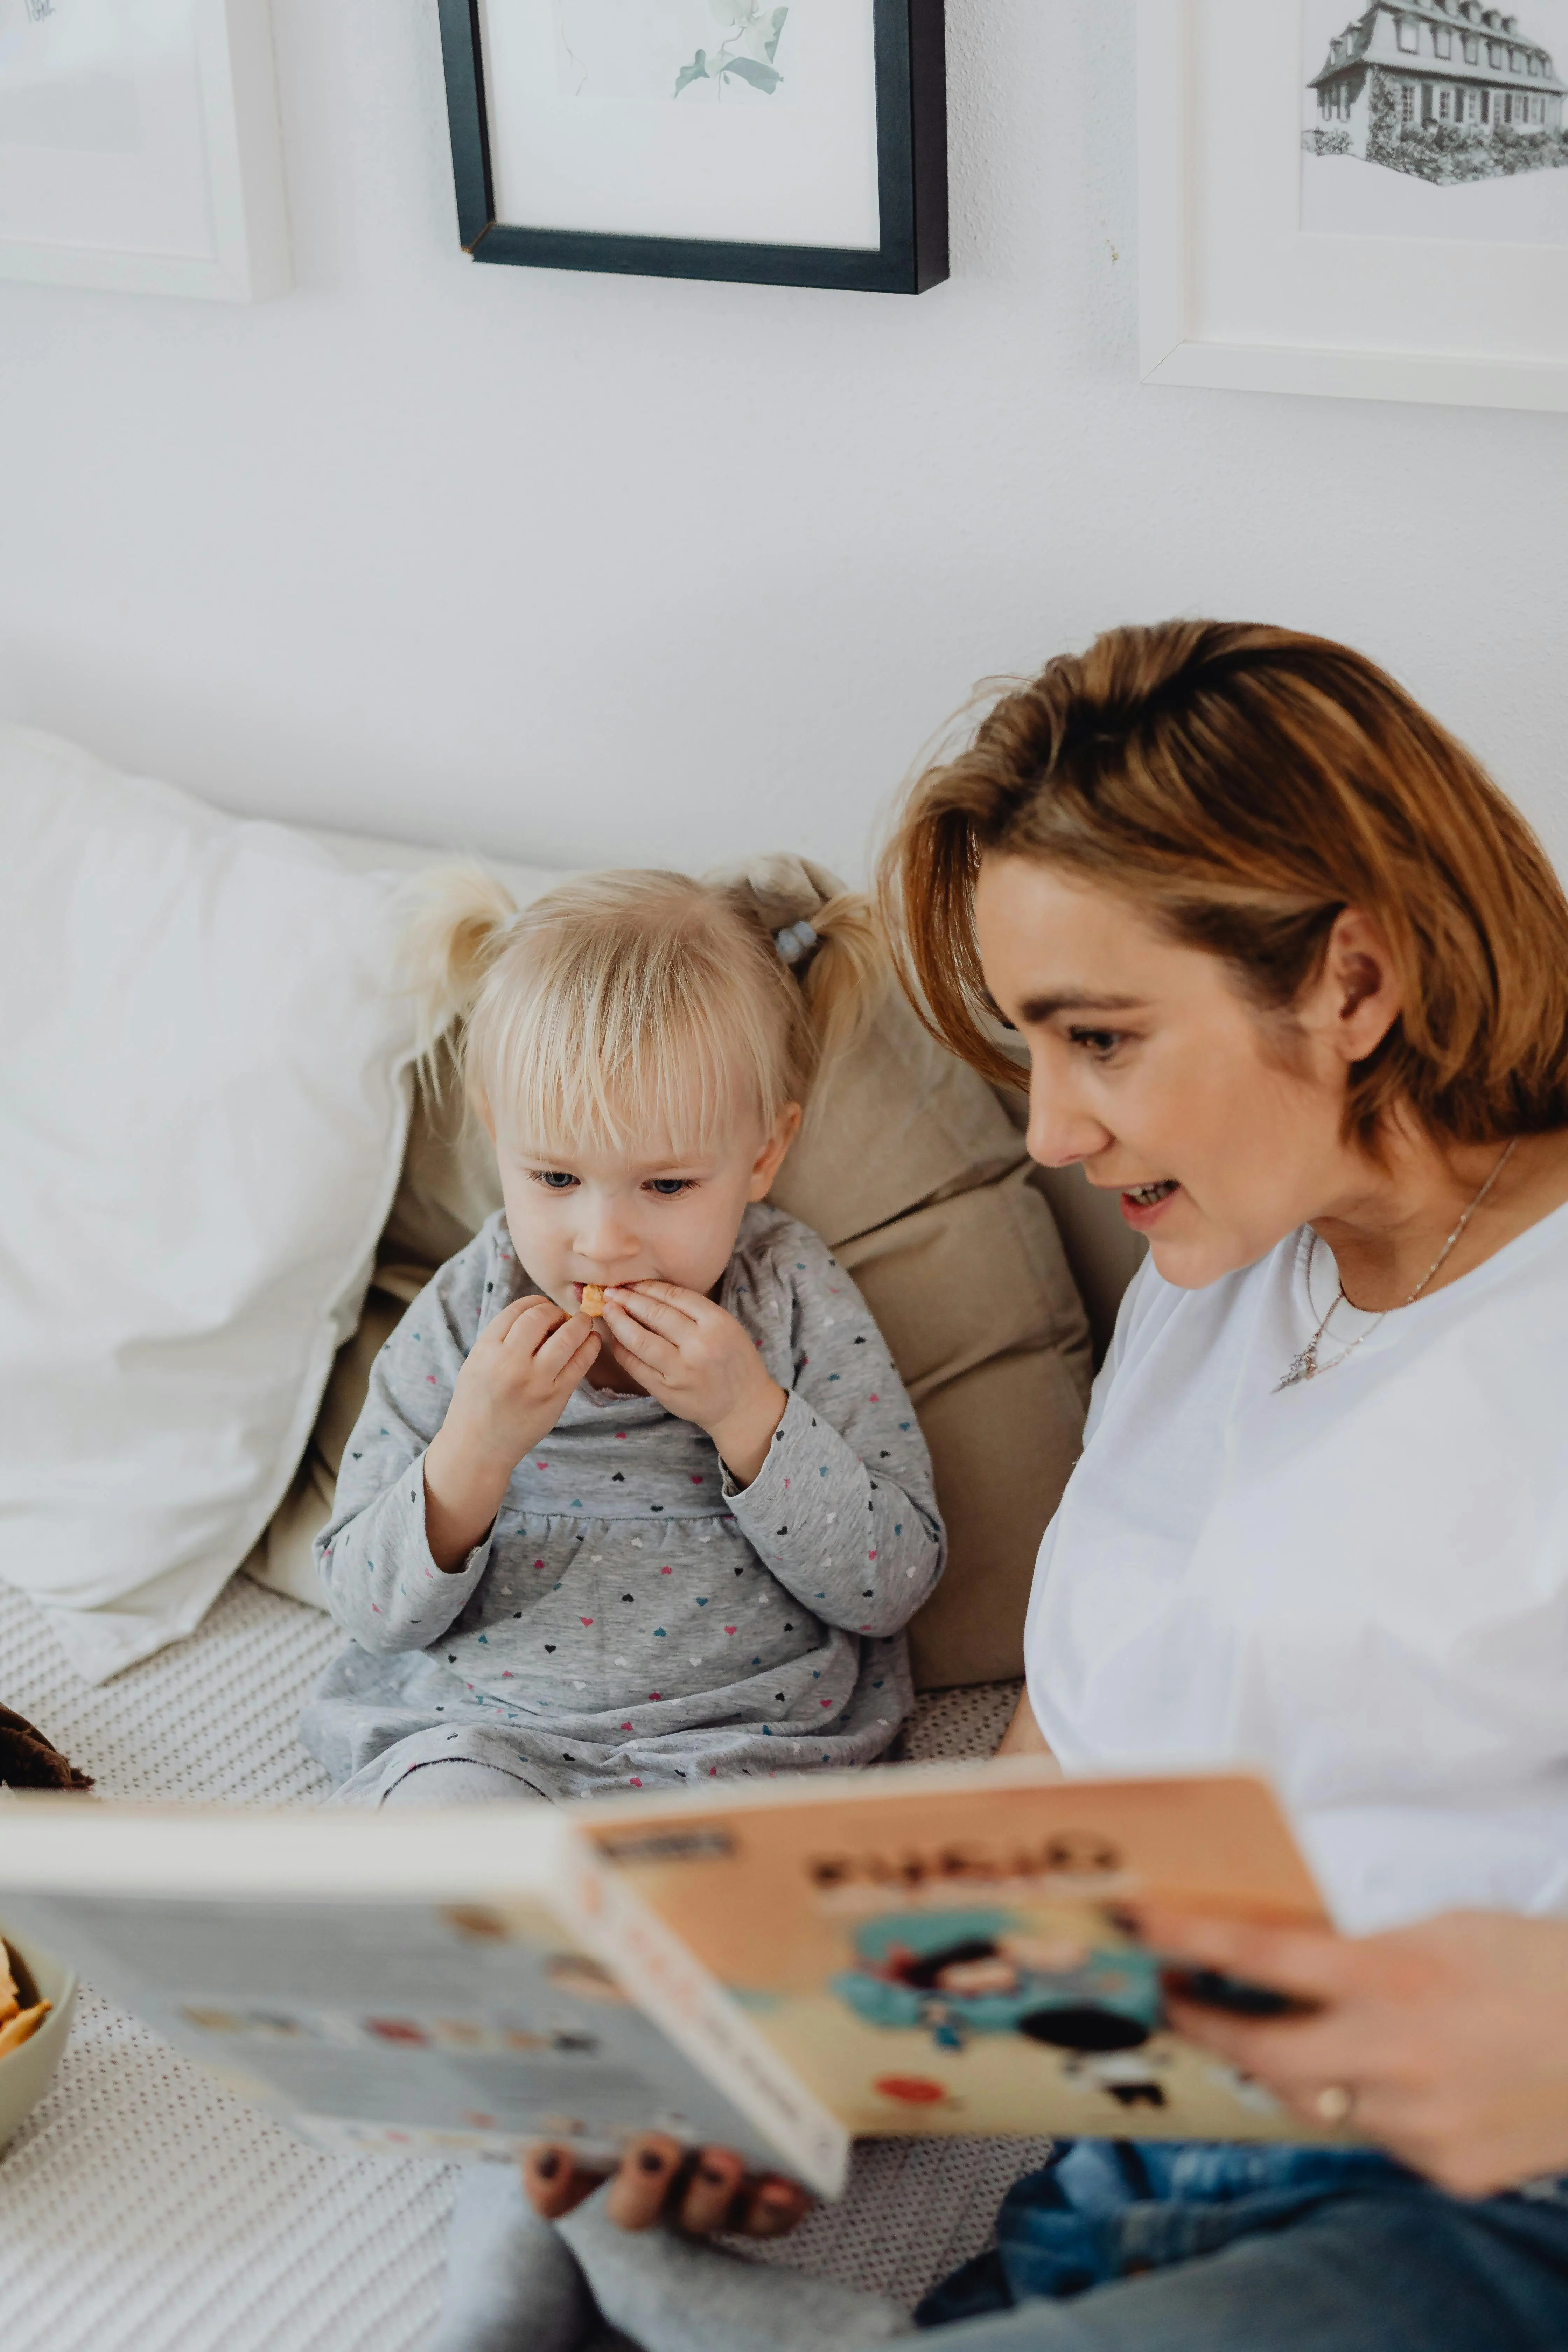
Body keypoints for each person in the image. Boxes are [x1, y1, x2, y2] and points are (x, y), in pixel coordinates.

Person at [495, 622, 1568, 2352]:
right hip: (1117, 2189)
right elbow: (1070, 1769)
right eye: (1027, 1049)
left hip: (1481, 2200)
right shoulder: (1211, 1281)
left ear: (1352, 986)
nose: (1049, 1131)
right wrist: (806, 2062)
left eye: (1101, 1040)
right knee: (566, 2249)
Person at [290, 859, 944, 2349]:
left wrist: (749, 1418)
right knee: (467, 1918)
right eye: (555, 1182)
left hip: (737, 1759)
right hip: (496, 1747)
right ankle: (553, 2288)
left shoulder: (790, 1299)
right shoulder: (465, 1317)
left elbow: (895, 1575)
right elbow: (371, 1607)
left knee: (784, 2003)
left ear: (762, 1157)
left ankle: (570, 2271)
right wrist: (472, 1453)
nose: (601, 1239)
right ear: (497, 1156)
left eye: (666, 1188)